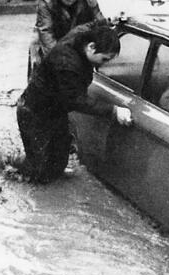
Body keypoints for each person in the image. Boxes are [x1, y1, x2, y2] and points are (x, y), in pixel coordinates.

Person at [14, 22, 133, 183]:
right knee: (39, 172)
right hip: (33, 111)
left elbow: (92, 23)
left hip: (55, 110)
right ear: (91, 47)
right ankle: (10, 163)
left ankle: (36, 165)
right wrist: (113, 110)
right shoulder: (67, 63)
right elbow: (76, 100)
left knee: (59, 162)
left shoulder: (82, 34)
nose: (104, 64)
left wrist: (111, 22)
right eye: (104, 59)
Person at [29, 0, 106, 75]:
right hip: (49, 42)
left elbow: (101, 24)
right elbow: (46, 33)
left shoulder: (89, 0)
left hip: (75, 41)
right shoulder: (47, 1)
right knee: (43, 75)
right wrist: (58, 60)